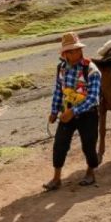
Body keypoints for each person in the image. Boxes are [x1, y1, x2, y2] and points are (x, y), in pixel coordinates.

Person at [44, 32, 101, 191]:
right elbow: (58, 91)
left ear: (80, 51)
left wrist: (74, 111)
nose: (73, 53)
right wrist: (54, 111)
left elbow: (93, 98)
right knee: (59, 144)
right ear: (64, 54)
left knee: (89, 145)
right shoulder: (61, 69)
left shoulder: (91, 70)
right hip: (66, 113)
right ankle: (56, 178)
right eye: (69, 51)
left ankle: (90, 173)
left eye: (75, 50)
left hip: (87, 114)